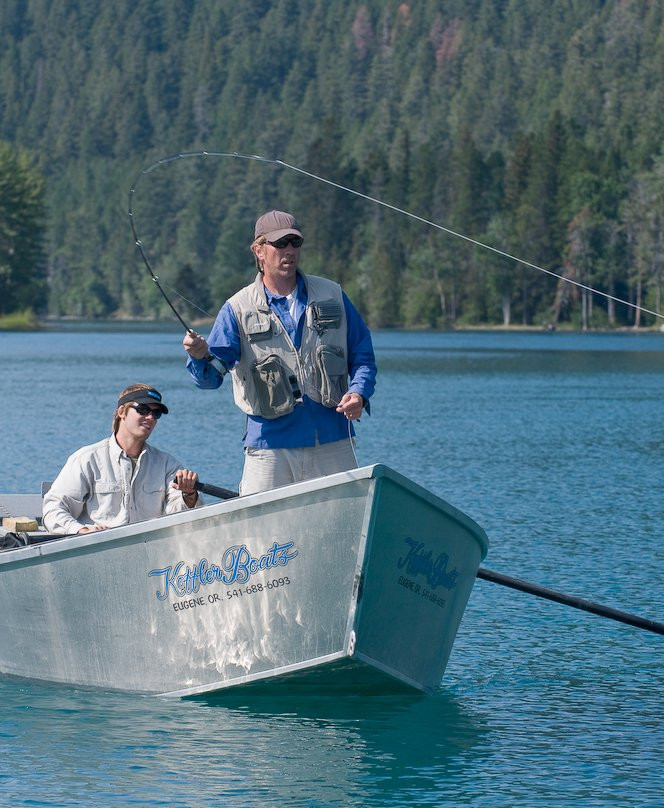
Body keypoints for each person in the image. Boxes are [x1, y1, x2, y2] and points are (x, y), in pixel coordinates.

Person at [183, 209, 377, 495]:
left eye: (294, 243)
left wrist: (359, 393)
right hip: (269, 447)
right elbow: (211, 379)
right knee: (261, 535)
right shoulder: (237, 307)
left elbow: (363, 356)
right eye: (280, 243)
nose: (289, 251)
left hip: (333, 440)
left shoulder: (332, 294)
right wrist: (199, 356)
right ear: (258, 250)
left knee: (345, 526)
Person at [42, 384, 202, 534]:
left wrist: (189, 495)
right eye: (143, 409)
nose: (150, 417)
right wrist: (81, 531)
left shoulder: (168, 465)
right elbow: (53, 509)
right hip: (97, 553)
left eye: (156, 413)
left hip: (153, 556)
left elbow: (182, 521)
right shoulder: (87, 459)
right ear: (121, 412)